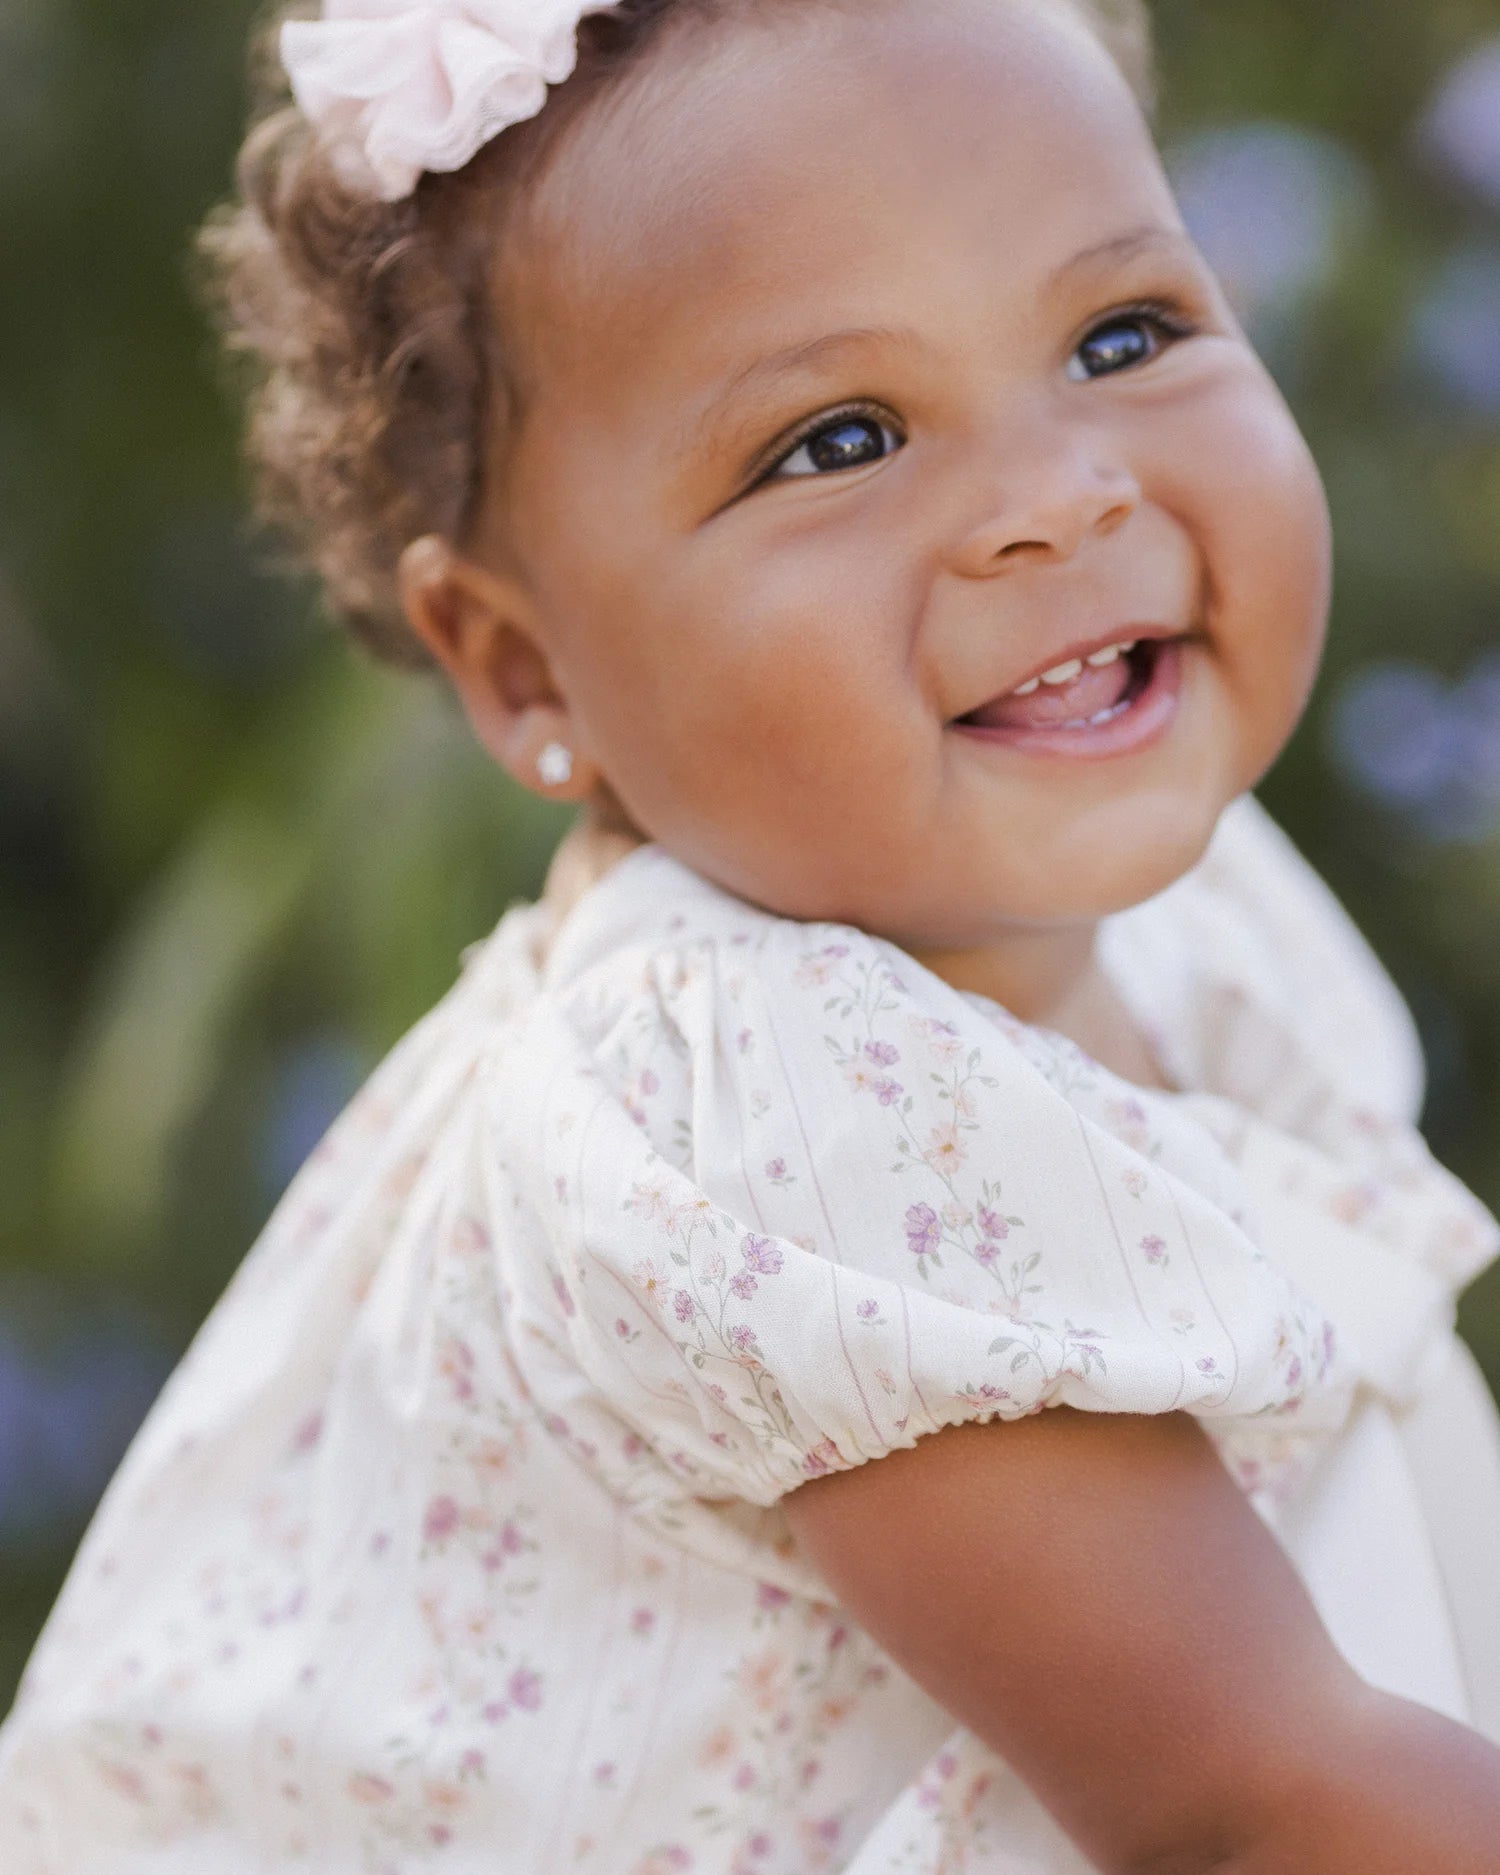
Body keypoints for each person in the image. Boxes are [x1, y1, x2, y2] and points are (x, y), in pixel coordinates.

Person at [5, 0, 1500, 1867]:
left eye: (1126, 335)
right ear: (524, 662)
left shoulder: (1160, 896)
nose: (1061, 496)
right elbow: (1258, 1804)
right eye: (839, 439)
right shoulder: (775, 1120)